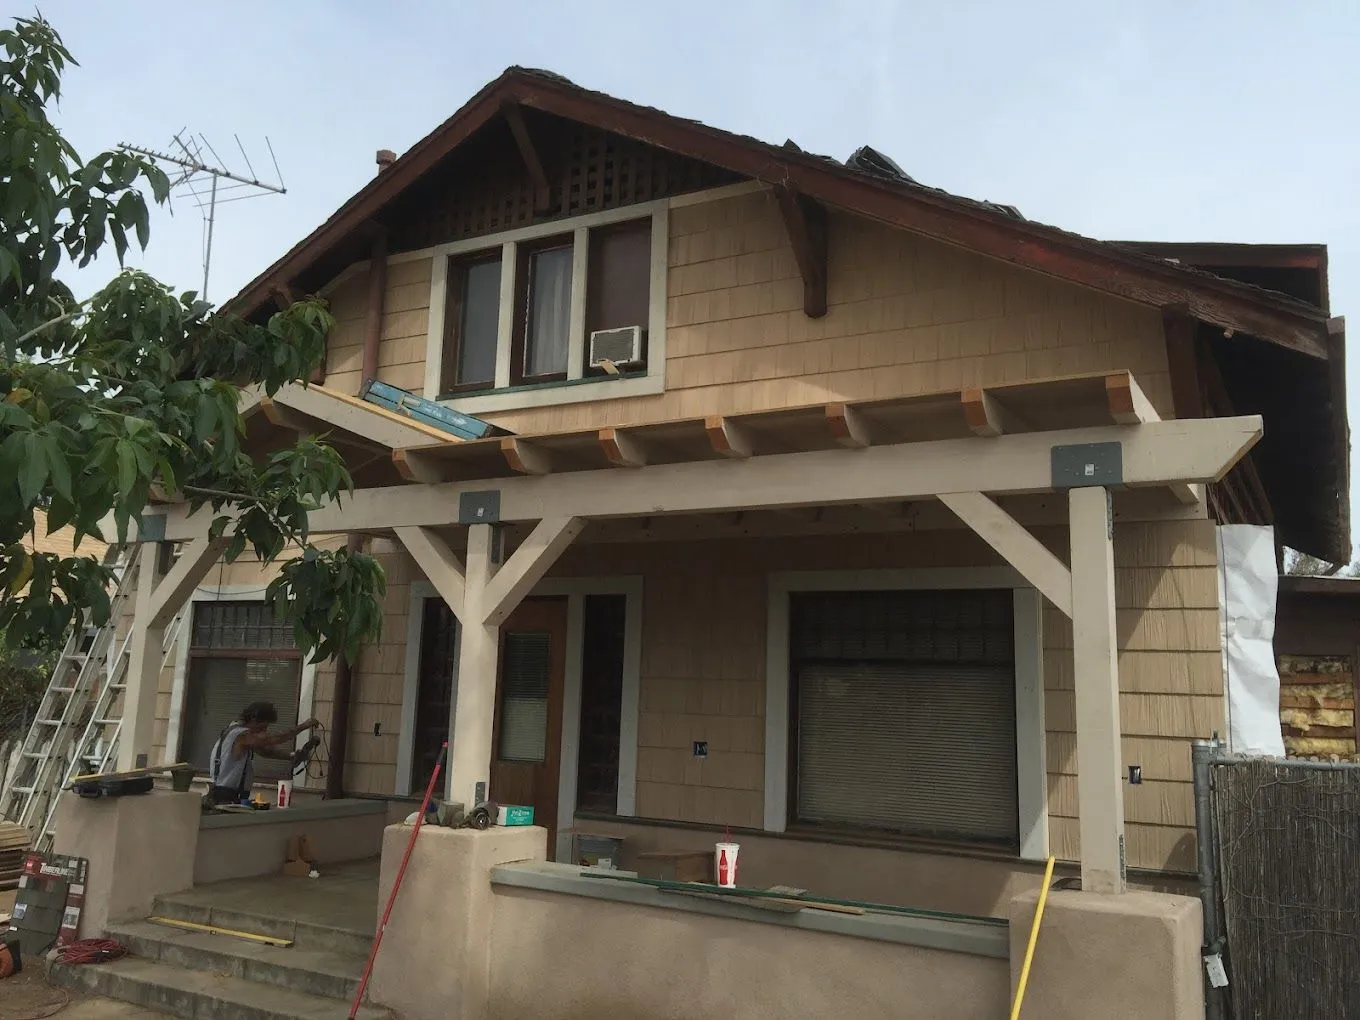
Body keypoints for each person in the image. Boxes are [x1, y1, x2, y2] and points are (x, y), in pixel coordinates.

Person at [208, 702, 319, 806]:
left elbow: (264, 751)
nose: (264, 731)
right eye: (262, 727)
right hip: (225, 794)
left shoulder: (236, 732)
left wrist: (290, 756)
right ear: (254, 719)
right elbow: (274, 738)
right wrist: (304, 725)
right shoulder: (241, 735)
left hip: (230, 793)